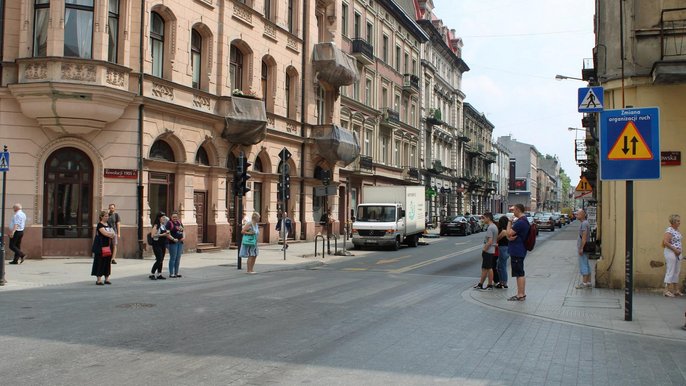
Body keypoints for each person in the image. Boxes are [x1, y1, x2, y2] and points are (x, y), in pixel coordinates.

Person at [506, 204, 530, 301]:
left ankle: (521, 294)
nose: (513, 212)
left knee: (519, 273)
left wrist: (509, 222)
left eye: (514, 210)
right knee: (518, 272)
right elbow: (510, 236)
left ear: (518, 210)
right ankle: (521, 294)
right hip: (519, 249)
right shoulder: (523, 221)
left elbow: (508, 233)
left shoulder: (521, 222)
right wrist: (509, 237)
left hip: (517, 250)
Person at [91, 210, 116, 285]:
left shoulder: (108, 224)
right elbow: (105, 233)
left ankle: (107, 278)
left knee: (107, 262)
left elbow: (113, 233)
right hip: (101, 246)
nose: (107, 217)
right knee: (100, 262)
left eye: (108, 216)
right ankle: (98, 280)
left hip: (108, 245)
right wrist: (110, 234)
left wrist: (111, 234)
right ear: (101, 217)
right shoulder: (100, 225)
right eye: (105, 216)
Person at [474, 213, 498, 291]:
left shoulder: (490, 228)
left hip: (488, 250)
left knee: (489, 268)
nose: (483, 220)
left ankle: (489, 285)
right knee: (485, 268)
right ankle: (480, 284)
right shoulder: (494, 226)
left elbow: (490, 241)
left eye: (484, 218)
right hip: (491, 250)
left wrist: (484, 249)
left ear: (488, 218)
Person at [662, 214, 682, 297]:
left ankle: (675, 290)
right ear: (673, 222)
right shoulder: (669, 230)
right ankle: (666, 290)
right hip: (671, 252)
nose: (679, 222)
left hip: (678, 253)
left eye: (679, 221)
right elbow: (665, 242)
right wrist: (675, 250)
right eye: (677, 221)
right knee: (670, 271)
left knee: (677, 271)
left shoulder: (676, 230)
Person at [149, 212, 170, 280]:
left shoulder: (163, 225)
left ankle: (159, 274)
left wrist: (167, 234)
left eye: (164, 217)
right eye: (162, 217)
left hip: (162, 244)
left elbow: (166, 232)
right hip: (156, 244)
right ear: (159, 218)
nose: (164, 219)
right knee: (159, 259)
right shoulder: (156, 226)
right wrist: (162, 235)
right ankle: (152, 274)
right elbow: (152, 235)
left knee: (161, 259)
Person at [575, 209, 593, 289]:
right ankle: (588, 282)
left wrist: (581, 248)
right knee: (586, 263)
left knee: (583, 264)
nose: (576, 215)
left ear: (582, 215)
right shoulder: (585, 223)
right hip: (585, 247)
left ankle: (584, 283)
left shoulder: (584, 224)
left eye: (578, 214)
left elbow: (584, 237)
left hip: (584, 247)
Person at [166, 212, 185, 278]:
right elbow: (167, 234)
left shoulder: (179, 222)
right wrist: (173, 239)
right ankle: (171, 273)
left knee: (178, 258)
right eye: (173, 217)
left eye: (176, 217)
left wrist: (184, 237)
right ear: (171, 217)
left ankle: (177, 272)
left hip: (180, 242)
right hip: (173, 243)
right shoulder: (169, 223)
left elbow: (183, 231)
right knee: (173, 258)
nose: (175, 218)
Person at [495, 215, 510, 289]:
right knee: (500, 266)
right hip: (507, 248)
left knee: (502, 266)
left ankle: (504, 282)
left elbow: (497, 239)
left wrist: (495, 239)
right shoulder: (509, 229)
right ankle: (502, 282)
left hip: (502, 248)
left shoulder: (503, 231)